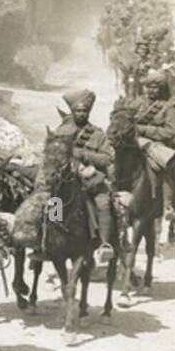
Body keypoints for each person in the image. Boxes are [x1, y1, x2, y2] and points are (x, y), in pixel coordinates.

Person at [52, 88, 116, 265]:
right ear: (72, 112)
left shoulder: (97, 134)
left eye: (84, 111)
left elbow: (107, 158)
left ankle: (104, 244)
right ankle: (49, 242)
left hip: (91, 180)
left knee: (103, 202)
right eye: (78, 111)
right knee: (52, 201)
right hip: (67, 179)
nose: (81, 114)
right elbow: (52, 154)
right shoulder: (61, 132)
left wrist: (82, 154)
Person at [132, 70, 175, 205]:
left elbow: (170, 132)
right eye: (149, 87)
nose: (151, 90)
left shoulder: (166, 107)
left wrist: (145, 130)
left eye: (155, 87)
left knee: (163, 168)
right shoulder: (136, 103)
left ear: (161, 89)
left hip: (158, 144)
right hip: (135, 141)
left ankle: (167, 205)